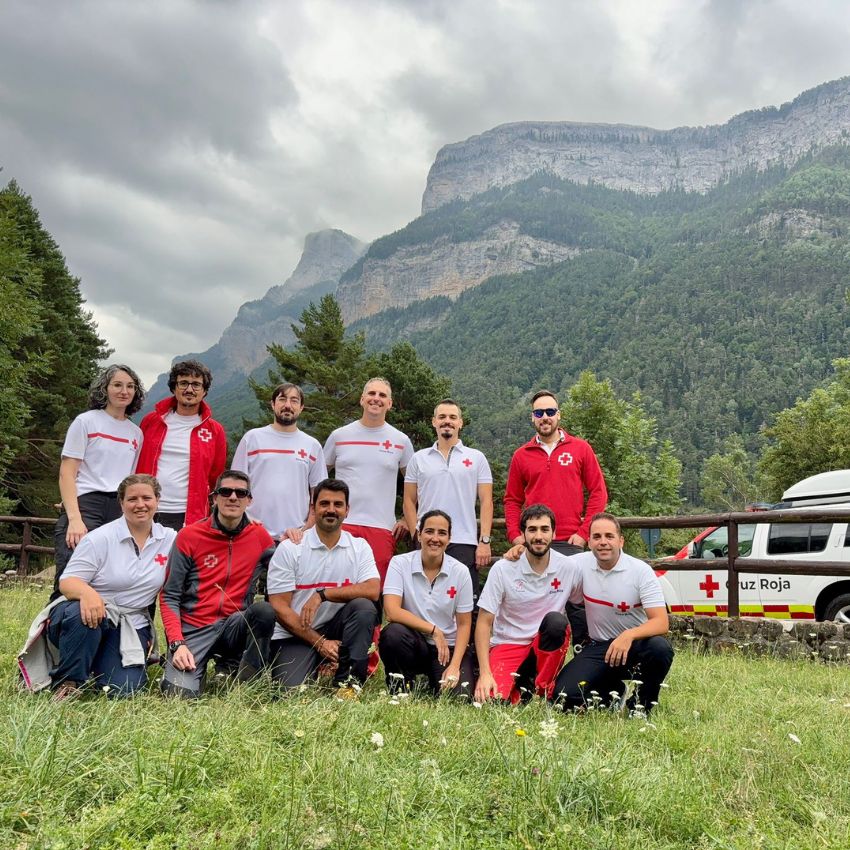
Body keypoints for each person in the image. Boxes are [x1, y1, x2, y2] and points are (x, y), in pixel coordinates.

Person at [22, 474, 175, 699]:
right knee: (83, 613)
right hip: (88, 617)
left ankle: (98, 664)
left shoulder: (170, 539)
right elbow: (67, 581)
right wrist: (88, 593)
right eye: (132, 499)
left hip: (131, 624)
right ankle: (69, 681)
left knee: (125, 692)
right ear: (121, 503)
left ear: (157, 501)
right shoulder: (100, 538)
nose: (140, 504)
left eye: (147, 498)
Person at [159, 470, 276, 697]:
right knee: (177, 697)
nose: (233, 497)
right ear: (214, 497)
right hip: (194, 630)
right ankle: (191, 666)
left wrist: (296, 538)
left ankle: (245, 682)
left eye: (240, 493)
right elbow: (169, 596)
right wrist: (176, 643)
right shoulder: (189, 536)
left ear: (249, 500)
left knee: (264, 611)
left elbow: (285, 571)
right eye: (225, 491)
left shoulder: (260, 537)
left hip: (234, 627)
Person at [504, 389, 608, 642]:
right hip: (535, 542)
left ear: (559, 415)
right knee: (535, 600)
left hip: (570, 542)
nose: (545, 417)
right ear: (532, 418)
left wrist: (584, 534)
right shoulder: (521, 455)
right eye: (539, 413)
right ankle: (535, 659)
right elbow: (512, 500)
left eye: (550, 411)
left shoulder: (580, 449)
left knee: (577, 605)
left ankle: (582, 656)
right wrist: (516, 536)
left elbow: (598, 492)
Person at [553, 513, 674, 713]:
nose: (603, 542)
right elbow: (545, 561)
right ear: (589, 542)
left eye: (609, 536)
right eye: (597, 537)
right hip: (599, 647)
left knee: (660, 648)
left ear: (621, 541)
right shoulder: (578, 564)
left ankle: (640, 705)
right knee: (564, 697)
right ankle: (614, 691)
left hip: (634, 647)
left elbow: (661, 622)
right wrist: (519, 550)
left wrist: (628, 635)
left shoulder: (640, 571)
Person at [267, 479, 380, 690]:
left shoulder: (359, 547)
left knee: (364, 607)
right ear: (313, 508)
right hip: (296, 632)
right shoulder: (291, 549)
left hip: (337, 627)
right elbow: (279, 607)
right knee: (291, 693)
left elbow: (372, 589)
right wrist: (320, 643)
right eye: (324, 503)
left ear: (347, 510)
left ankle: (348, 686)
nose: (331, 510)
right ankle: (313, 663)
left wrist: (323, 594)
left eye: (338, 505)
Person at [474, 504, 582, 704]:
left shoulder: (569, 567)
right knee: (490, 701)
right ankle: (521, 690)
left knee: (557, 622)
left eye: (544, 529)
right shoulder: (503, 569)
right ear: (522, 535)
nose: (538, 536)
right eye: (532, 530)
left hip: (544, 646)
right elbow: (483, 622)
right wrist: (485, 673)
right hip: (508, 644)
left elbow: (582, 604)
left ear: (554, 533)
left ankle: (542, 689)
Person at [53, 364, 145, 596]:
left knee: (107, 577)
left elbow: (129, 480)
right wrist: (74, 518)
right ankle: (49, 629)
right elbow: (67, 473)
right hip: (86, 505)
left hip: (118, 508)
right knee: (71, 575)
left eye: (130, 386)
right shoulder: (86, 422)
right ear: (104, 388)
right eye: (117, 385)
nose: (124, 391)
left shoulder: (136, 433)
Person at [323, 377, 414, 582]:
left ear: (389, 404)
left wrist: (407, 519)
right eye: (371, 394)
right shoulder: (340, 436)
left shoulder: (400, 440)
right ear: (362, 399)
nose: (376, 399)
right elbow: (317, 477)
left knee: (375, 593)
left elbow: (416, 484)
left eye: (382, 395)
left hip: (381, 527)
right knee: (337, 588)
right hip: (340, 524)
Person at [403, 399, 493, 603]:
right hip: (427, 540)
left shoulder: (477, 458)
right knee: (425, 599)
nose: (447, 421)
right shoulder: (418, 458)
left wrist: (484, 541)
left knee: (463, 603)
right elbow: (408, 500)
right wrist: (415, 533)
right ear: (433, 421)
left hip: (464, 541)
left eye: (453, 417)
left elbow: (486, 501)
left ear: (460, 423)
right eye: (442, 417)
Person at [380, 510, 474, 696]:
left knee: (458, 698)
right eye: (429, 531)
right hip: (415, 642)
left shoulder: (460, 571)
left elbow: (464, 624)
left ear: (449, 538)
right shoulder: (400, 563)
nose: (435, 538)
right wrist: (433, 630)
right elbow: (391, 611)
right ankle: (401, 688)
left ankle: (434, 680)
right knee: (392, 634)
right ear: (419, 534)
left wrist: (454, 666)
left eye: (442, 533)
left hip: (447, 648)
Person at [136, 359, 226, 531]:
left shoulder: (214, 431)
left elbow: (216, 475)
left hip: (189, 515)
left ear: (204, 391)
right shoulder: (151, 421)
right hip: (146, 509)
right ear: (174, 387)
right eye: (183, 383)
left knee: (184, 559)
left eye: (196, 385)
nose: (189, 389)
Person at [232, 382, 327, 541]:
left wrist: (305, 529)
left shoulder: (312, 445)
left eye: (294, 401)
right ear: (272, 404)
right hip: (251, 533)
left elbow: (318, 495)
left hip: (295, 538)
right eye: (282, 399)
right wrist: (243, 523)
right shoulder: (252, 438)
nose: (288, 405)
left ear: (301, 407)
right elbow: (235, 485)